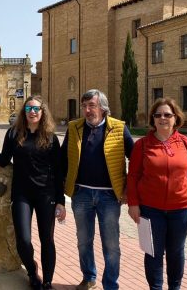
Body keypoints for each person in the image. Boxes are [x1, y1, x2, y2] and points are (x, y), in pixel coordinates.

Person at [0, 96, 65, 290]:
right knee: (23, 240)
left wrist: (61, 201)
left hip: (46, 194)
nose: (32, 112)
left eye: (36, 109)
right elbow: (2, 161)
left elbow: (59, 171)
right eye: (28, 109)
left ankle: (48, 282)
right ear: (23, 112)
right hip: (22, 194)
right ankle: (33, 273)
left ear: (43, 112)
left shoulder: (51, 137)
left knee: (47, 239)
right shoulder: (14, 133)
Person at [126, 97, 187, 290]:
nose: (163, 118)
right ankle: (156, 287)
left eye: (167, 114)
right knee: (152, 252)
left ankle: (175, 287)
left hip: (181, 209)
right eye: (158, 115)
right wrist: (133, 204)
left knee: (176, 252)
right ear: (153, 119)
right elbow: (133, 176)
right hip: (150, 210)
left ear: (175, 118)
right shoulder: (142, 145)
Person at [61, 89, 134, 290]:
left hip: (109, 196)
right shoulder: (74, 127)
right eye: (84, 106)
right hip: (81, 194)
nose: (87, 110)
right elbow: (62, 160)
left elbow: (135, 159)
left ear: (102, 107)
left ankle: (110, 284)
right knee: (83, 241)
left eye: (91, 106)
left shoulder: (119, 128)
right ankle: (89, 277)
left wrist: (129, 189)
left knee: (111, 245)